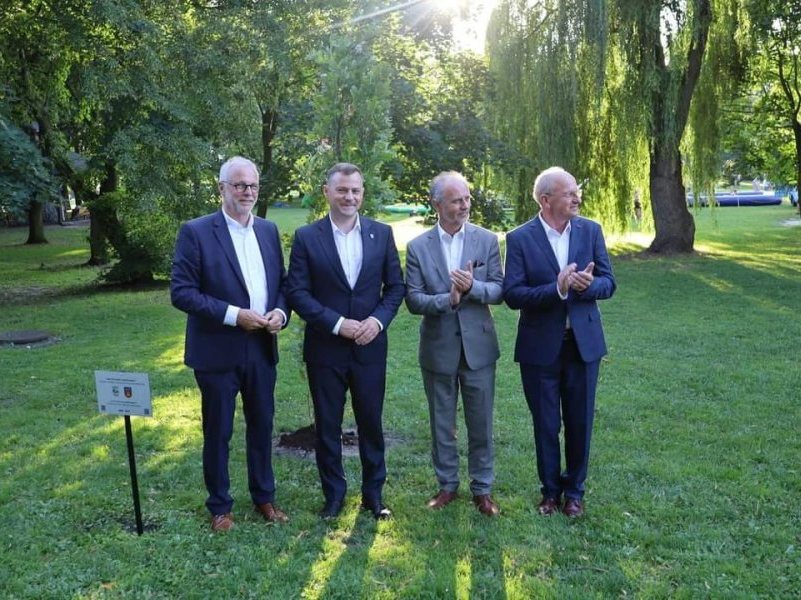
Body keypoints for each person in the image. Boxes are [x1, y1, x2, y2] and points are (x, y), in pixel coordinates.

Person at [170, 156, 290, 532]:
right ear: (221, 188)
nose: (247, 192)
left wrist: (280, 313)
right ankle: (220, 506)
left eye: (252, 185)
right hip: (217, 349)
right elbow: (182, 292)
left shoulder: (268, 230)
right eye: (239, 185)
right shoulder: (196, 231)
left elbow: (282, 284)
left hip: (261, 347)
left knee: (262, 425)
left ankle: (264, 498)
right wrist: (234, 315)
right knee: (218, 430)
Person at [286, 163, 405, 520]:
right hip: (326, 348)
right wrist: (338, 324)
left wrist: (376, 322)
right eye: (342, 190)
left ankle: (373, 495)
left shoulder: (381, 234)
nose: (349, 197)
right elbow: (297, 293)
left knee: (371, 422)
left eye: (355, 190)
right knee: (328, 426)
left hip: (370, 346)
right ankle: (334, 496)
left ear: (362, 193)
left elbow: (395, 288)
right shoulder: (307, 237)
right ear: (327, 192)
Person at [503, 166, 616, 518]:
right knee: (546, 424)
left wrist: (588, 285)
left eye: (576, 192)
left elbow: (609, 283)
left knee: (580, 421)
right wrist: (557, 288)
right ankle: (550, 492)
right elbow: (513, 294)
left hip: (583, 345)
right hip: (540, 347)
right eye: (569, 193)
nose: (576, 198)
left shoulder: (590, 230)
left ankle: (575, 493)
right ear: (546, 199)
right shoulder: (520, 238)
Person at [405, 171, 503, 517]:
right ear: (437, 204)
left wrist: (472, 288)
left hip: (479, 348)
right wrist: (448, 299)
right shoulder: (418, 247)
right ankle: (447, 485)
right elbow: (413, 299)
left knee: (481, 423)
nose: (464, 205)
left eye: (467, 199)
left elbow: (499, 290)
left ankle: (482, 489)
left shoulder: (486, 240)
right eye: (456, 200)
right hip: (438, 348)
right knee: (441, 423)